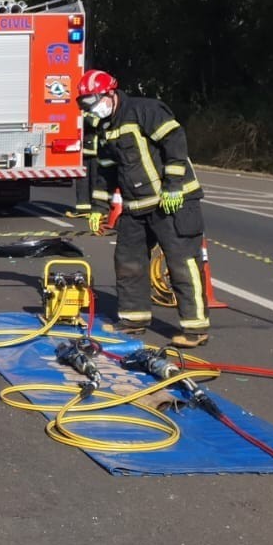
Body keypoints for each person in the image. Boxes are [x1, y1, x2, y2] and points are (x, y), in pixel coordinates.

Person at [78, 69, 211, 348]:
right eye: (85, 104)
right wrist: (98, 207)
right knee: (128, 261)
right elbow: (106, 172)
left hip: (172, 201)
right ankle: (133, 319)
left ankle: (195, 328)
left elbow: (175, 142)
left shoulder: (144, 110)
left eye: (93, 101)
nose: (91, 108)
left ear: (110, 94)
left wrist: (173, 184)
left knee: (182, 263)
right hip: (136, 207)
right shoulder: (105, 128)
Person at [66, 103, 101, 217]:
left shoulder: (99, 112)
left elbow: (94, 122)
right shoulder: (86, 112)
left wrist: (84, 115)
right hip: (85, 151)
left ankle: (97, 208)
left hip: (97, 152)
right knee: (82, 180)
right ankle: (83, 208)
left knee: (96, 181)